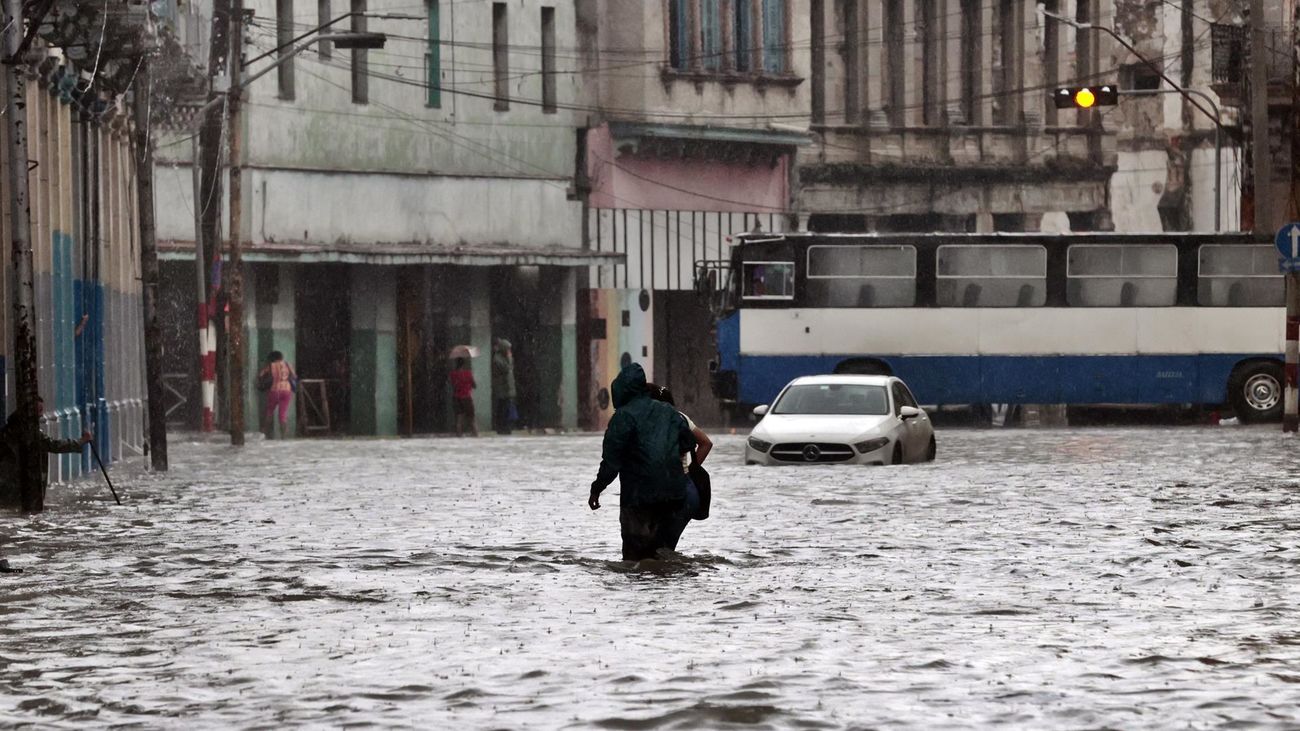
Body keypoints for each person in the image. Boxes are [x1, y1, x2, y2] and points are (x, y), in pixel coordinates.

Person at [587, 363, 696, 561]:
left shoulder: (623, 417)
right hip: (674, 496)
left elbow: (611, 460)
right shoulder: (668, 411)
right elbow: (688, 442)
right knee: (662, 554)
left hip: (638, 498)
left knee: (634, 558)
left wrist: (597, 489)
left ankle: (641, 587)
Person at [646, 384, 713, 550]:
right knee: (666, 550)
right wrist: (689, 471)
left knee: (651, 551)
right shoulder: (681, 417)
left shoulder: (648, 421)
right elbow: (706, 443)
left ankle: (663, 573)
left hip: (665, 493)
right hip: (688, 492)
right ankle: (674, 574)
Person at [258, 351, 297, 439]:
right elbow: (294, 376)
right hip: (286, 390)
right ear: (281, 357)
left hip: (274, 390)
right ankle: (283, 437)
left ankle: (264, 434)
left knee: (269, 412)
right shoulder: (287, 364)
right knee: (282, 415)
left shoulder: (271, 365)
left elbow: (261, 375)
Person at [491, 338, 516, 435]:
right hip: (502, 389)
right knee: (503, 409)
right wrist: (509, 359)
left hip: (507, 389)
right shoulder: (498, 359)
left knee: (507, 409)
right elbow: (506, 369)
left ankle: (506, 427)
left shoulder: (504, 358)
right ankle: (502, 427)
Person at [448, 358, 478, 437]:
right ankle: (475, 433)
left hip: (456, 398)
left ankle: (459, 434)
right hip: (466, 397)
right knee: (471, 418)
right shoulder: (468, 373)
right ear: (464, 365)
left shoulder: (453, 374)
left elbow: (452, 385)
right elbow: (474, 385)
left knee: (459, 418)